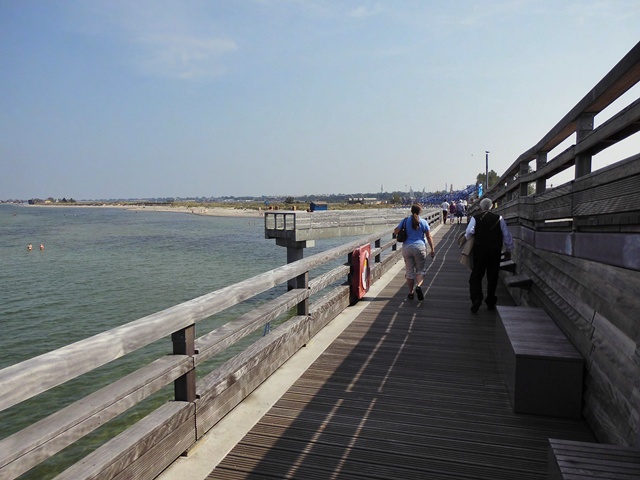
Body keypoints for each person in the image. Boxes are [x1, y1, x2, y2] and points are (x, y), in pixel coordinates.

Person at [464, 198, 514, 312]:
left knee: (476, 276)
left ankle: (476, 298)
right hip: (494, 251)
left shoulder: (475, 218)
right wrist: (509, 249)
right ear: (491, 207)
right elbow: (506, 235)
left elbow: (469, 232)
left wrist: (471, 238)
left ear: (481, 207)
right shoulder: (499, 218)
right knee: (492, 276)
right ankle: (490, 300)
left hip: (479, 251)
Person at [394, 204, 435, 301]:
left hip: (407, 248)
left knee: (409, 272)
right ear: (420, 211)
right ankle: (418, 286)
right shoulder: (423, 222)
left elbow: (396, 231)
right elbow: (429, 237)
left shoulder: (404, 221)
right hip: (420, 247)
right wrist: (432, 250)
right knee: (420, 270)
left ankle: (410, 292)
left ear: (411, 211)